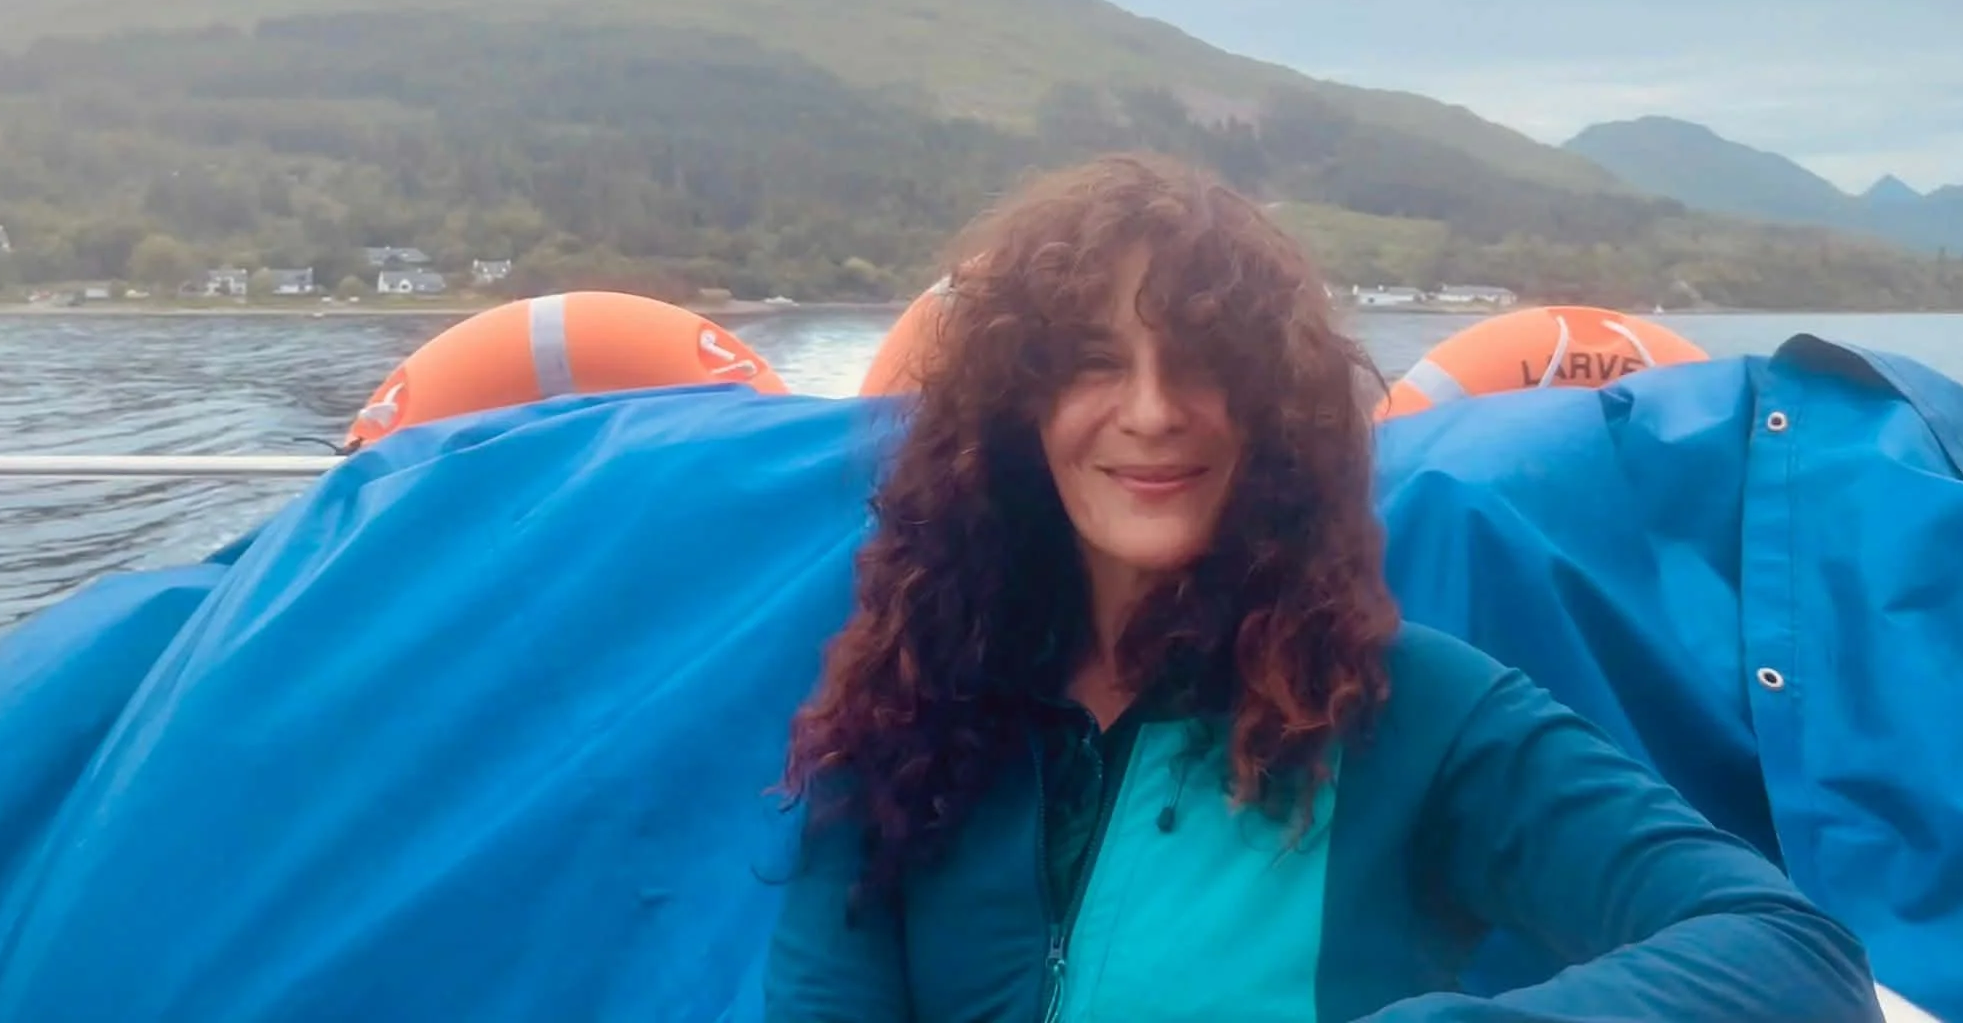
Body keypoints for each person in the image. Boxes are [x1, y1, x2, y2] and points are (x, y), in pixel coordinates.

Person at [763, 153, 1883, 1021]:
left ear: (1274, 413)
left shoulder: (1409, 713)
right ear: (1015, 413)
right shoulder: (910, 720)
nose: (1153, 411)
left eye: (1203, 360)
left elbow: (1789, 958)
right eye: (1092, 363)